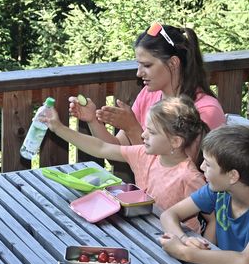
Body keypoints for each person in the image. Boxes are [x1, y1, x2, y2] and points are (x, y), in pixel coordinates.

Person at [45, 95, 208, 231]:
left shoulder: (189, 177)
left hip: (178, 243)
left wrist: (205, 253)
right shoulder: (144, 154)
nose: (143, 135)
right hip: (144, 231)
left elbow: (213, 219)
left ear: (175, 141)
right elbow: (101, 147)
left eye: (151, 132)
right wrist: (58, 128)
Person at [69, 22, 224, 147]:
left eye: (147, 65)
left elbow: (169, 172)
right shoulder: (149, 94)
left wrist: (132, 128)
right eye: (139, 65)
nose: (139, 73)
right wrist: (92, 120)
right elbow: (118, 147)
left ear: (173, 63)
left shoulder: (206, 110)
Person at [159, 125, 249, 264]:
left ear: (232, 176)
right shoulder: (219, 190)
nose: (201, 167)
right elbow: (169, 215)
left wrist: (183, 252)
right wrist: (184, 239)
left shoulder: (220, 189)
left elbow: (244, 263)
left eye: (208, 164)